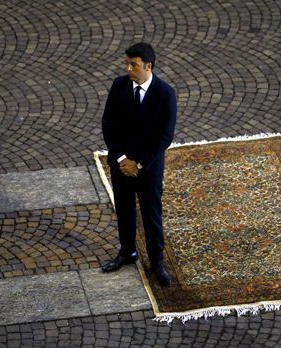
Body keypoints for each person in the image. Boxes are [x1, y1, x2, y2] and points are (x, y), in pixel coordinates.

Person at [101, 42, 177, 286]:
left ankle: (157, 262)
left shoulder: (165, 94)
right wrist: (123, 159)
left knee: (151, 214)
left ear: (148, 66)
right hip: (122, 165)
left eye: (133, 64)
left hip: (149, 168)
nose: (128, 68)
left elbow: (164, 136)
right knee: (124, 209)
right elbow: (108, 124)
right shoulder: (119, 85)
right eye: (127, 63)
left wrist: (140, 163)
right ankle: (128, 251)